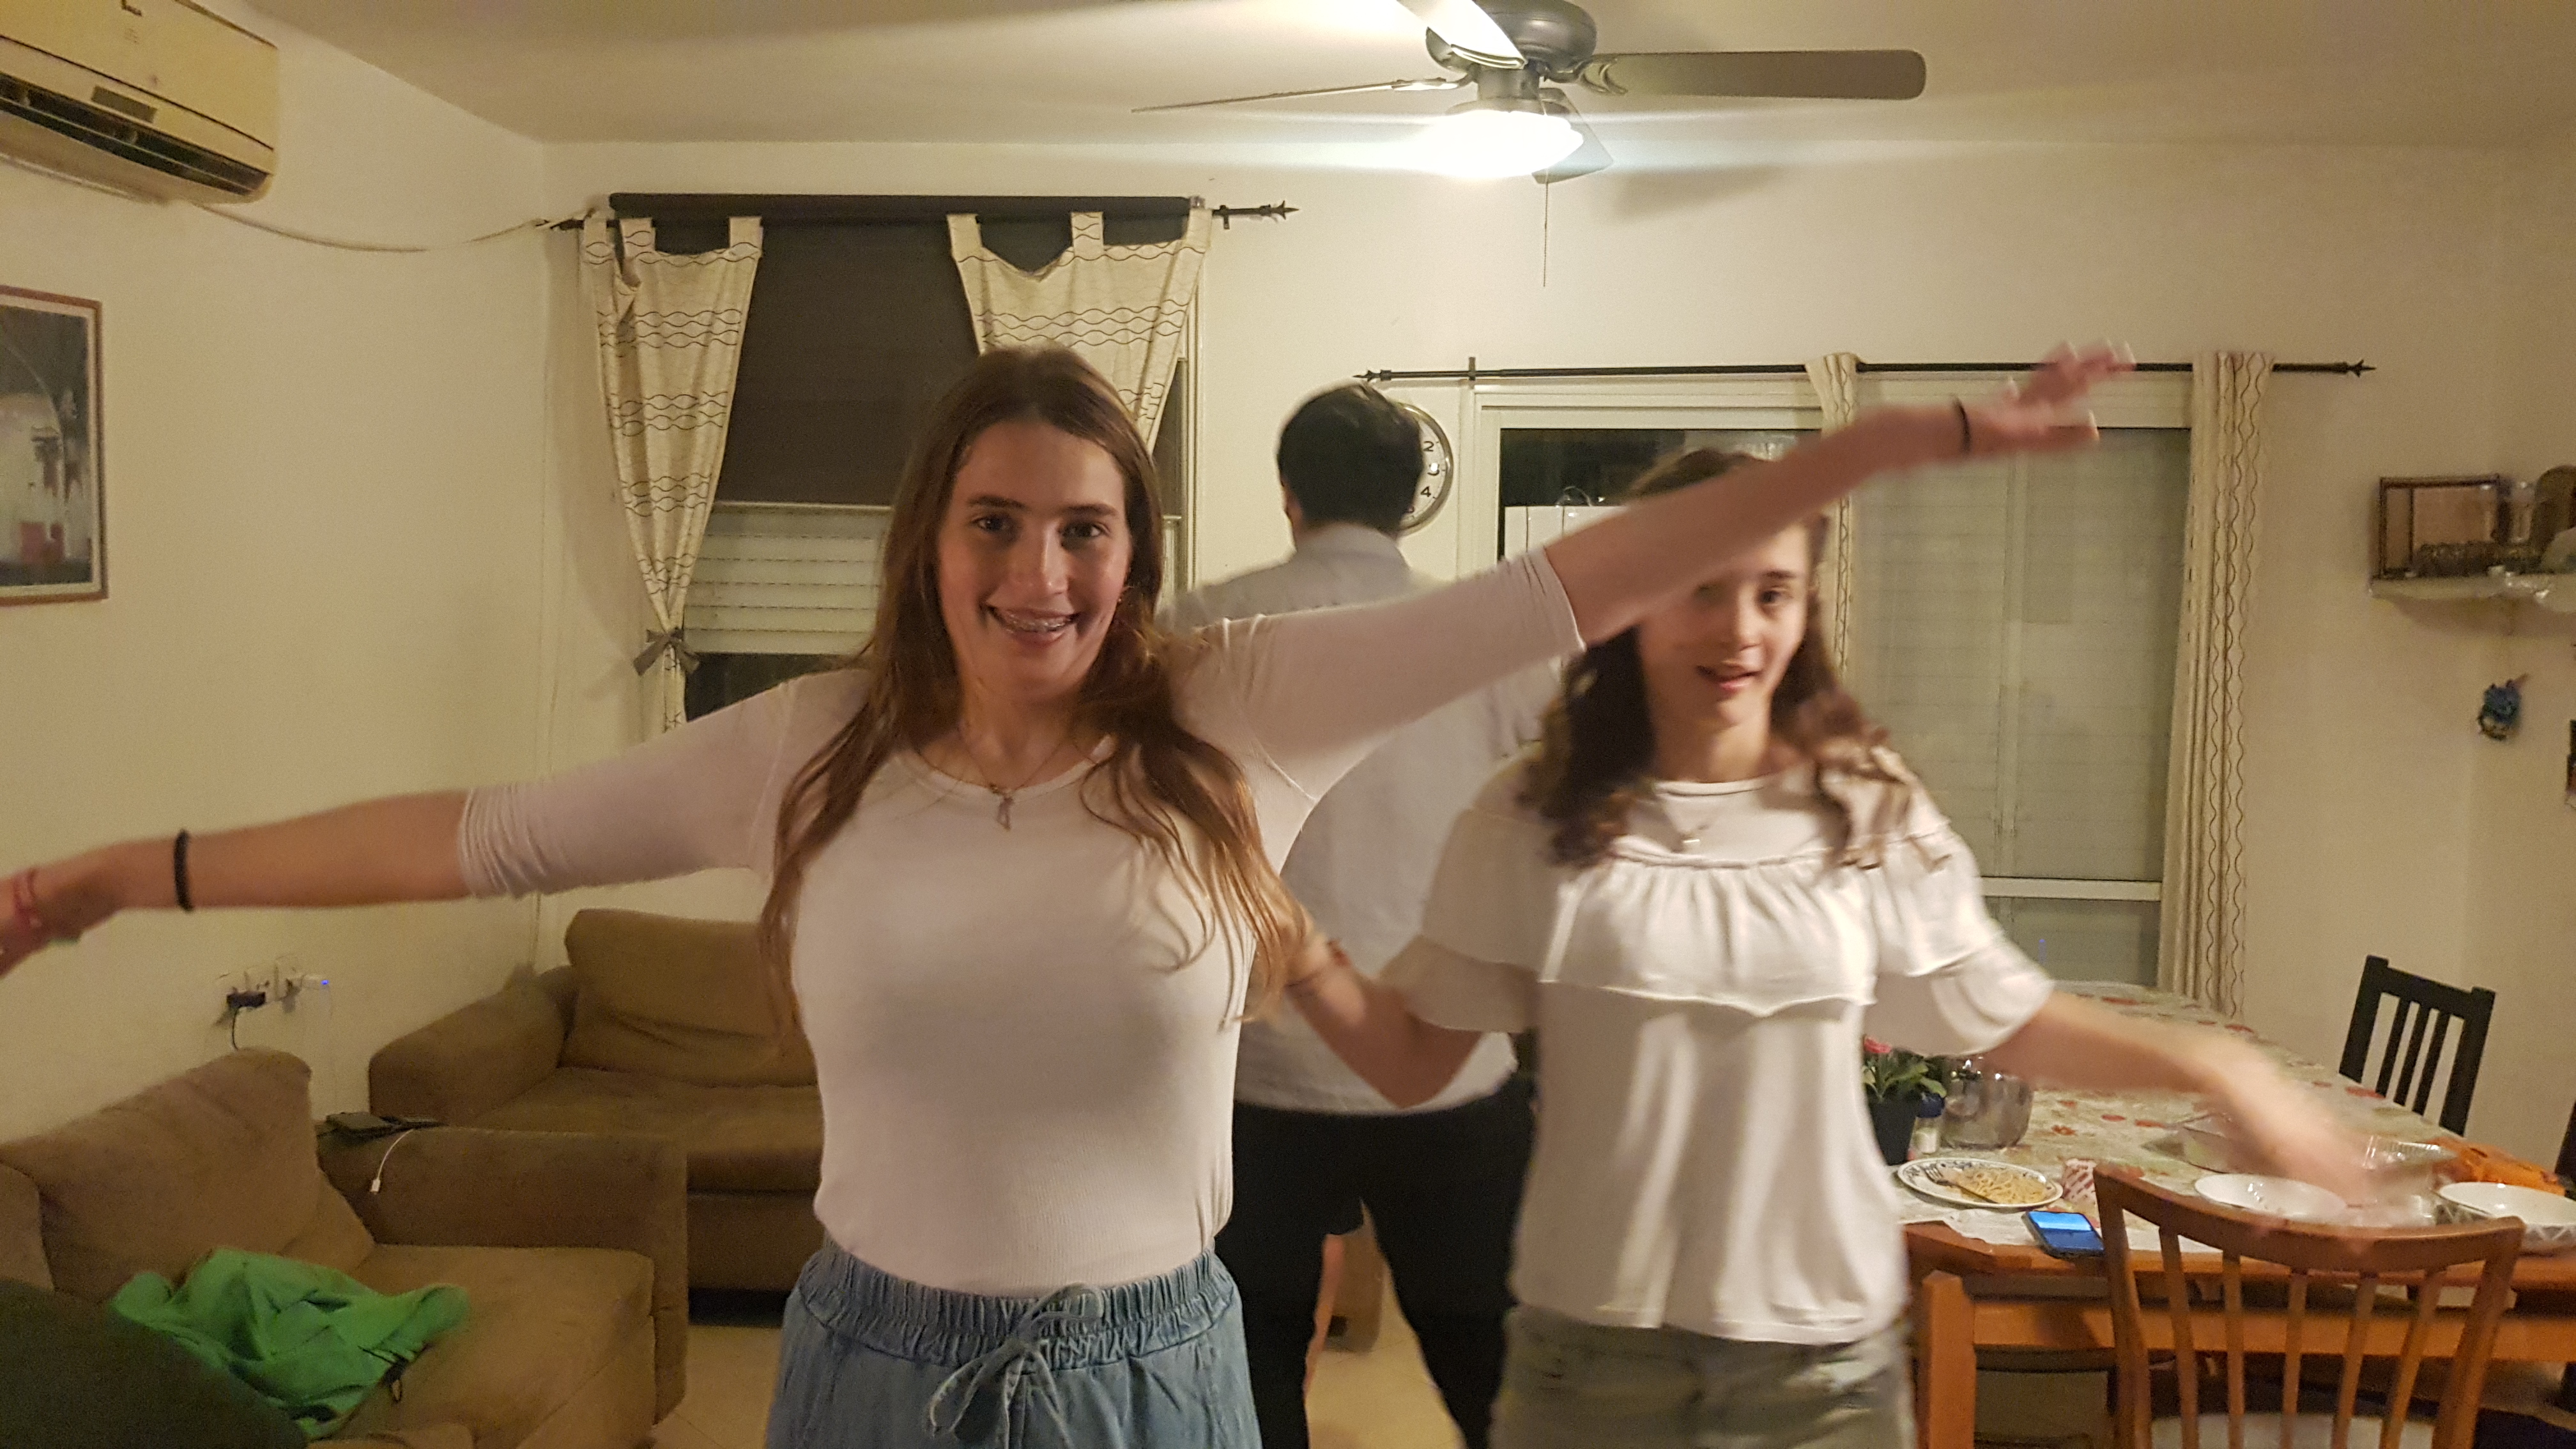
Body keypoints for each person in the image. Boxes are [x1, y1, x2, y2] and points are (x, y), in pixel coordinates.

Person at [0, 344, 2131, 1448]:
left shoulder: (1244, 703)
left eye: (1087, 528)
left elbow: (1578, 578)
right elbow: (472, 833)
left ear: (1141, 543)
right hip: (865, 1356)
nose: (1042, 575)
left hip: (1149, 1365)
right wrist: (129, 873)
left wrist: (1897, 443)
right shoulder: (806, 742)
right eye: (997, 523)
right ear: (931, 535)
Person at [1276, 445, 2369, 1449]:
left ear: (1807, 607)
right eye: (1701, 589)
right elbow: (1414, 1059)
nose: (1739, 632)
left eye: (1773, 593)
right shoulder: (1533, 811)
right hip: (1590, 1359)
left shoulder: (1861, 806)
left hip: (1821, 1370)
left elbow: (2004, 1017)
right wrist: (1295, 947)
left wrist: (2220, 1066)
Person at [1168, 383, 1553, 1449]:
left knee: (1249, 1364)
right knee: (1497, 1370)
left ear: (1287, 494)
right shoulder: (1484, 634)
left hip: (1257, 1068)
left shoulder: (1198, 629)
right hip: (1450, 1063)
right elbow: (1577, 786)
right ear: (1409, 499)